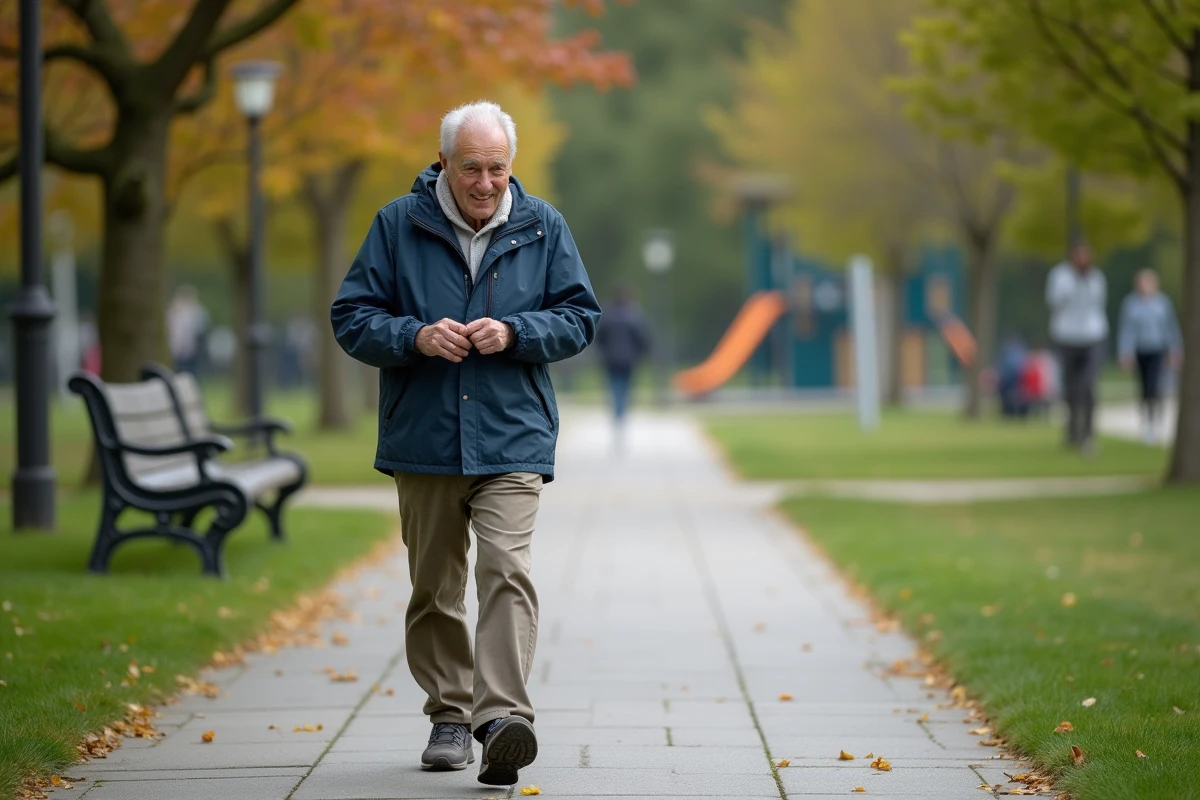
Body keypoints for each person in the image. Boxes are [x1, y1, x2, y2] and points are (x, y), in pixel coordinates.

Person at [330, 101, 600, 787]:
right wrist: (414, 337)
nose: (485, 182)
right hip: (425, 436)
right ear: (443, 162)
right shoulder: (398, 223)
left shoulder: (544, 225)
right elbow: (351, 317)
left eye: (498, 168)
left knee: (507, 569)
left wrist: (516, 334)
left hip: (514, 435)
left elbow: (578, 318)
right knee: (436, 586)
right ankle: (449, 714)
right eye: (472, 168)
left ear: (513, 165)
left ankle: (503, 719)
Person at [1045, 242, 1107, 454]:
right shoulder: (1060, 276)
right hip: (1067, 336)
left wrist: (1085, 282)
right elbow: (1055, 301)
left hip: (1092, 336)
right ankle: (1072, 432)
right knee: (1070, 388)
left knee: (1088, 386)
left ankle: (1088, 433)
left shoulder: (1096, 277)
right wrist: (1074, 285)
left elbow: (1097, 303)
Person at [1118, 268, 1183, 443]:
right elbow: (1127, 330)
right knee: (1144, 387)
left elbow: (1170, 328)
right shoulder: (1131, 304)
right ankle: (1146, 420)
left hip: (1157, 349)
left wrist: (1175, 350)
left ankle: (1156, 420)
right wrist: (1125, 352)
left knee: (1155, 385)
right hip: (1140, 350)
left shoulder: (1162, 303)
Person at [594, 288, 651, 434]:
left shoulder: (607, 316)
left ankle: (617, 412)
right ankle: (621, 412)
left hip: (611, 359)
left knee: (614, 386)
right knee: (625, 387)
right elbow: (642, 338)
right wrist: (642, 354)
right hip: (629, 359)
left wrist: (604, 352)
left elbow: (599, 337)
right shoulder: (634, 316)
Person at [166, 284, 209, 376]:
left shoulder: (195, 312)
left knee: (191, 373)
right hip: (177, 352)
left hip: (190, 352)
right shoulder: (173, 314)